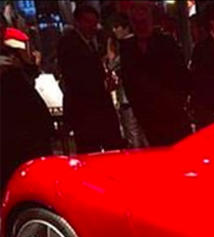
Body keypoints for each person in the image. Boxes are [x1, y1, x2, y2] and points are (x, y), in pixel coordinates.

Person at [119, 1, 192, 146]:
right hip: (148, 116)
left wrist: (176, 102)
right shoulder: (128, 47)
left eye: (143, 16)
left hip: (172, 112)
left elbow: (181, 75)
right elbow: (129, 82)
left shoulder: (166, 42)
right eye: (136, 20)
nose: (140, 21)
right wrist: (140, 112)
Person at [57, 3, 123, 153]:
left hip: (98, 108)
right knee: (90, 149)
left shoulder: (91, 42)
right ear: (77, 22)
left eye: (94, 23)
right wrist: (103, 85)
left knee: (109, 147)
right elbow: (76, 78)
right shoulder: (69, 43)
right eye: (88, 22)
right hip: (85, 110)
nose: (92, 27)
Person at [1, 25, 54, 191]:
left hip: (30, 125)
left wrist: (26, 62)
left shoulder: (11, 51)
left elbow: (29, 76)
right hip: (12, 128)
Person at [107, 13, 148, 149]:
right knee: (142, 133)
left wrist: (110, 50)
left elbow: (113, 65)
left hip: (128, 98)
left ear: (126, 28)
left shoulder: (127, 46)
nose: (114, 30)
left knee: (133, 134)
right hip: (138, 97)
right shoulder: (136, 44)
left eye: (117, 27)